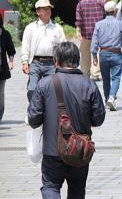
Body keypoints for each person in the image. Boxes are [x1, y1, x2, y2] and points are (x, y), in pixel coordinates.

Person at [27, 42, 105, 198]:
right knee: (77, 189)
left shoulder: (44, 84)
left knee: (50, 186)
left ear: (56, 61)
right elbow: (98, 119)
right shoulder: (89, 84)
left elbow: (33, 119)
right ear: (77, 59)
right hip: (79, 150)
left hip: (52, 149)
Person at [21, 0, 66, 102]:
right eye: (45, 9)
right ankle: (34, 112)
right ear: (38, 12)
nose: (48, 11)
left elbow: (63, 46)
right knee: (32, 89)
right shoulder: (30, 28)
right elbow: (25, 46)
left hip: (52, 64)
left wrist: (62, 62)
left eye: (49, 9)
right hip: (35, 63)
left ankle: (47, 113)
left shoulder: (57, 27)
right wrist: (24, 62)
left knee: (52, 90)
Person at [91, 1, 122, 111]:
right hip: (116, 54)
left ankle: (107, 99)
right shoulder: (121, 24)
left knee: (105, 78)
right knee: (116, 77)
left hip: (103, 53)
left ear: (105, 11)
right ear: (115, 11)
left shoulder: (98, 24)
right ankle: (112, 97)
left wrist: (94, 55)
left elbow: (94, 41)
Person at [75, 0, 105, 81]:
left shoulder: (80, 4)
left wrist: (78, 30)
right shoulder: (100, 2)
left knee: (85, 54)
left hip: (85, 33)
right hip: (99, 34)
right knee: (97, 52)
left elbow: (79, 19)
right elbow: (105, 17)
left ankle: (85, 73)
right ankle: (95, 73)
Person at [0, 19, 15, 122]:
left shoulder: (5, 34)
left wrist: (11, 62)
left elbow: (11, 50)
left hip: (2, 69)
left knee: (0, 93)